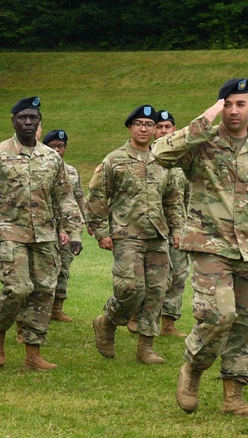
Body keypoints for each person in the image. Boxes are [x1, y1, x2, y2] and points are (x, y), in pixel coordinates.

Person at [153, 79, 248, 416]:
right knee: (219, 315)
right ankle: (193, 369)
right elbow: (161, 151)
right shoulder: (202, 143)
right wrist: (205, 117)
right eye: (228, 104)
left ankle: (233, 395)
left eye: (241, 104)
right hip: (210, 244)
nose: (234, 110)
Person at [0, 96, 83, 371]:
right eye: (23, 117)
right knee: (18, 289)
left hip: (45, 234)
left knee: (44, 291)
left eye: (33, 118)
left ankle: (33, 352)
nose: (28, 122)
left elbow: (65, 197)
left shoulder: (50, 157)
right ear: (13, 121)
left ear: (39, 123)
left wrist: (74, 231)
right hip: (10, 232)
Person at [88, 105, 184, 365]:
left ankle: (146, 346)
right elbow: (98, 196)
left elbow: (173, 200)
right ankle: (107, 321)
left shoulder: (164, 160)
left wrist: (176, 230)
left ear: (155, 130)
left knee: (156, 291)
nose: (144, 128)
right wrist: (100, 232)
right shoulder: (114, 160)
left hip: (157, 236)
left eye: (149, 124)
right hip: (126, 234)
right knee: (130, 288)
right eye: (139, 123)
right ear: (130, 127)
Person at [42, 129, 86, 323]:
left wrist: (86, 220)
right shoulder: (40, 169)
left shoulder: (72, 172)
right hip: (46, 227)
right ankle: (41, 307)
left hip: (67, 226)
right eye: (52, 146)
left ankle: (57, 308)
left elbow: (79, 198)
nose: (57, 150)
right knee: (45, 269)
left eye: (60, 146)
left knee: (64, 266)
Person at [155, 110, 189, 337]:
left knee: (178, 275)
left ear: (174, 129)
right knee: (153, 277)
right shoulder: (146, 158)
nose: (164, 131)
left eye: (168, 127)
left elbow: (189, 197)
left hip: (178, 228)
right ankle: (141, 317)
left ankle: (168, 322)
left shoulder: (183, 161)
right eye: (160, 127)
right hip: (151, 228)